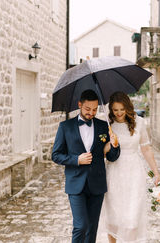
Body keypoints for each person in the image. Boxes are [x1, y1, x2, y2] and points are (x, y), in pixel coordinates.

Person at [52, 89, 120, 243]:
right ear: (80, 105)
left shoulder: (103, 126)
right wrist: (77, 159)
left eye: (95, 109)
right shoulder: (65, 127)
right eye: (88, 109)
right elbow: (55, 155)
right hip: (76, 183)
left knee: (92, 227)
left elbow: (112, 157)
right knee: (80, 225)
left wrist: (114, 145)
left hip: (97, 183)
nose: (91, 113)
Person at [101, 91, 160, 243]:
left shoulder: (139, 122)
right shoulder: (106, 125)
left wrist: (156, 173)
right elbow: (100, 153)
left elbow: (146, 149)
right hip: (114, 171)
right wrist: (110, 144)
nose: (119, 113)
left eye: (122, 109)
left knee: (133, 215)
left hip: (134, 172)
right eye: (115, 110)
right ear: (111, 110)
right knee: (113, 214)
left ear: (128, 107)